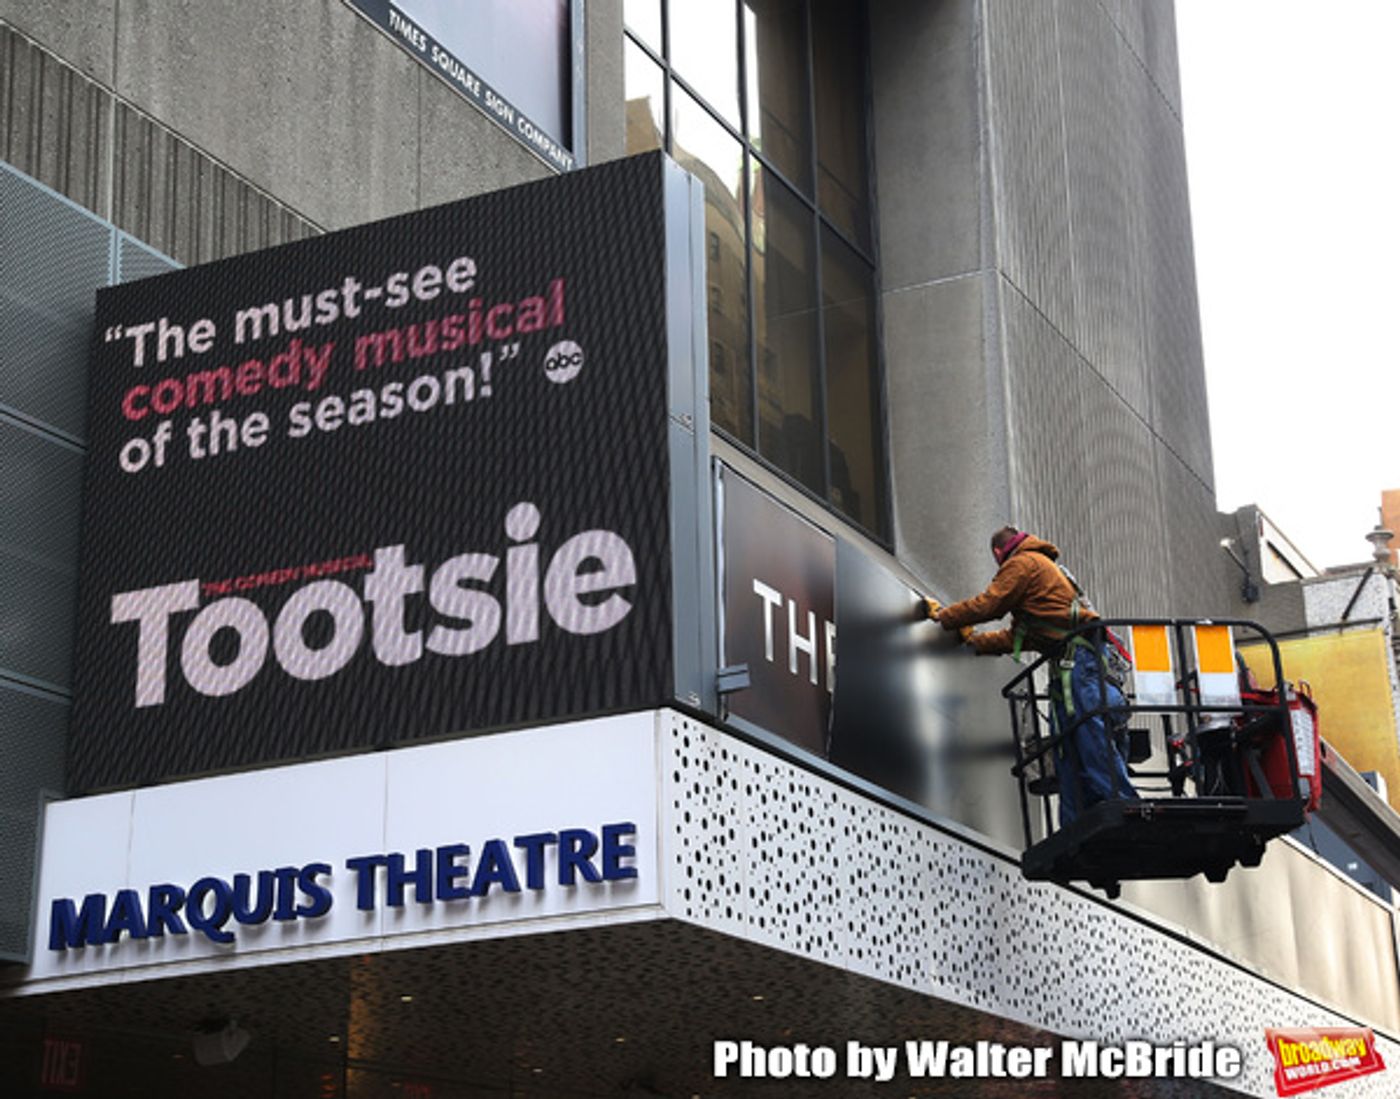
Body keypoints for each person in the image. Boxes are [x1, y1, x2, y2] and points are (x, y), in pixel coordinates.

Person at [927, 527, 1135, 824]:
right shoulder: (1040, 579)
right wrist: (974, 641)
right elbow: (1017, 638)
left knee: (1088, 735)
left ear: (999, 553)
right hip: (1072, 665)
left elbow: (990, 603)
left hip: (1079, 663)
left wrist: (945, 617)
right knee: (1067, 745)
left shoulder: (1024, 563)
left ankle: (1119, 802)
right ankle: (1079, 820)